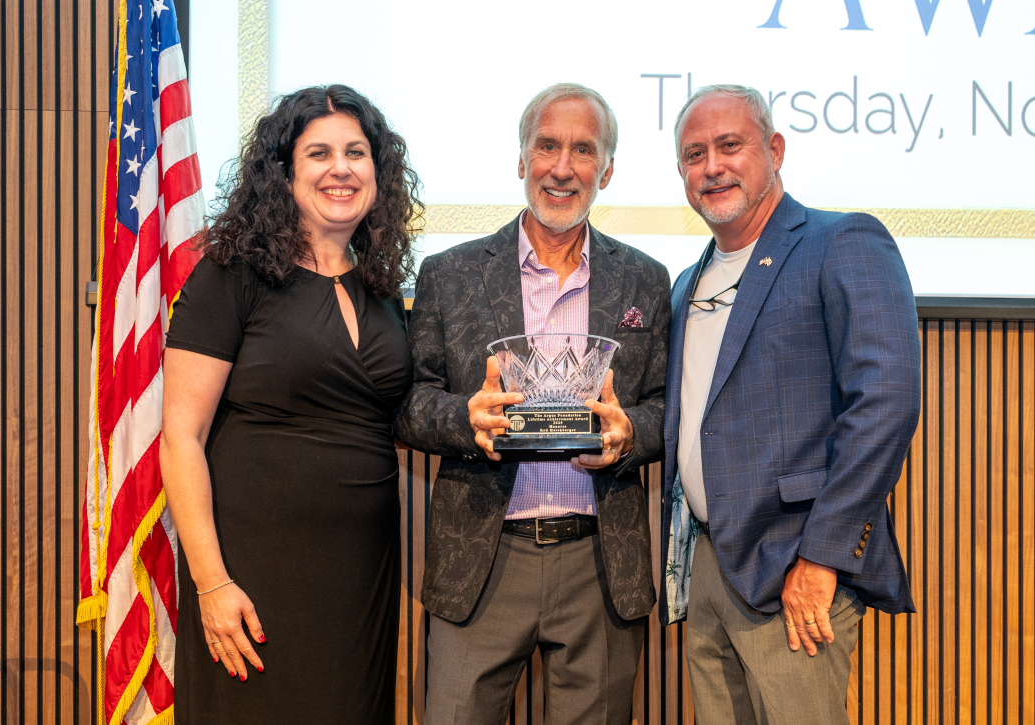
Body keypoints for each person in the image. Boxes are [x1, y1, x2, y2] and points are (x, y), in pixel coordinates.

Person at [395, 83, 672, 725]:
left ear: (607, 169)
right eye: (547, 145)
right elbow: (410, 404)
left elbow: (664, 408)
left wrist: (630, 433)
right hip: (483, 562)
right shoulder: (451, 272)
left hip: (599, 563)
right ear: (522, 158)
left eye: (583, 150)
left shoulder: (645, 279)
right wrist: (465, 419)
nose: (562, 166)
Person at [659, 84, 921, 724]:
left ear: (774, 149)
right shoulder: (686, 283)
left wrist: (823, 556)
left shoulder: (842, 242)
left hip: (795, 572)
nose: (712, 166)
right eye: (695, 154)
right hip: (708, 569)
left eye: (730, 146)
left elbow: (886, 402)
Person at [159, 84, 420, 724]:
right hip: (251, 574)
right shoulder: (232, 272)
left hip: (360, 579)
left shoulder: (383, 286)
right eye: (319, 153)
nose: (341, 169)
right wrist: (212, 584)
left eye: (357, 153)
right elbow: (180, 439)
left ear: (378, 172)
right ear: (284, 171)